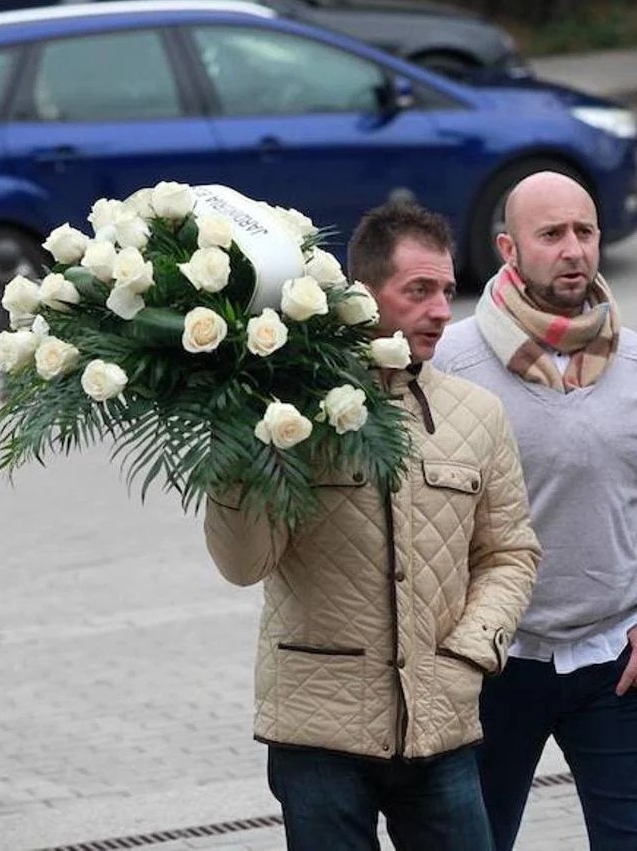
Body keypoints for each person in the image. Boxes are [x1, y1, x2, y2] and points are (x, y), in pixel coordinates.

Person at [203, 200, 541, 851]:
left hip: (439, 722)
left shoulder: (479, 413)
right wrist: (236, 451)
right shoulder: (290, 407)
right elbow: (245, 566)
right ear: (362, 294)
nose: (441, 309)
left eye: (446, 290)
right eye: (418, 291)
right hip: (318, 735)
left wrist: (471, 652)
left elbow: (509, 553)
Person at [434, 171, 637, 851]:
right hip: (493, 664)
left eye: (584, 231)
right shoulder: (454, 363)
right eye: (550, 235)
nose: (573, 249)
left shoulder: (635, 361)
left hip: (616, 659)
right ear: (508, 248)